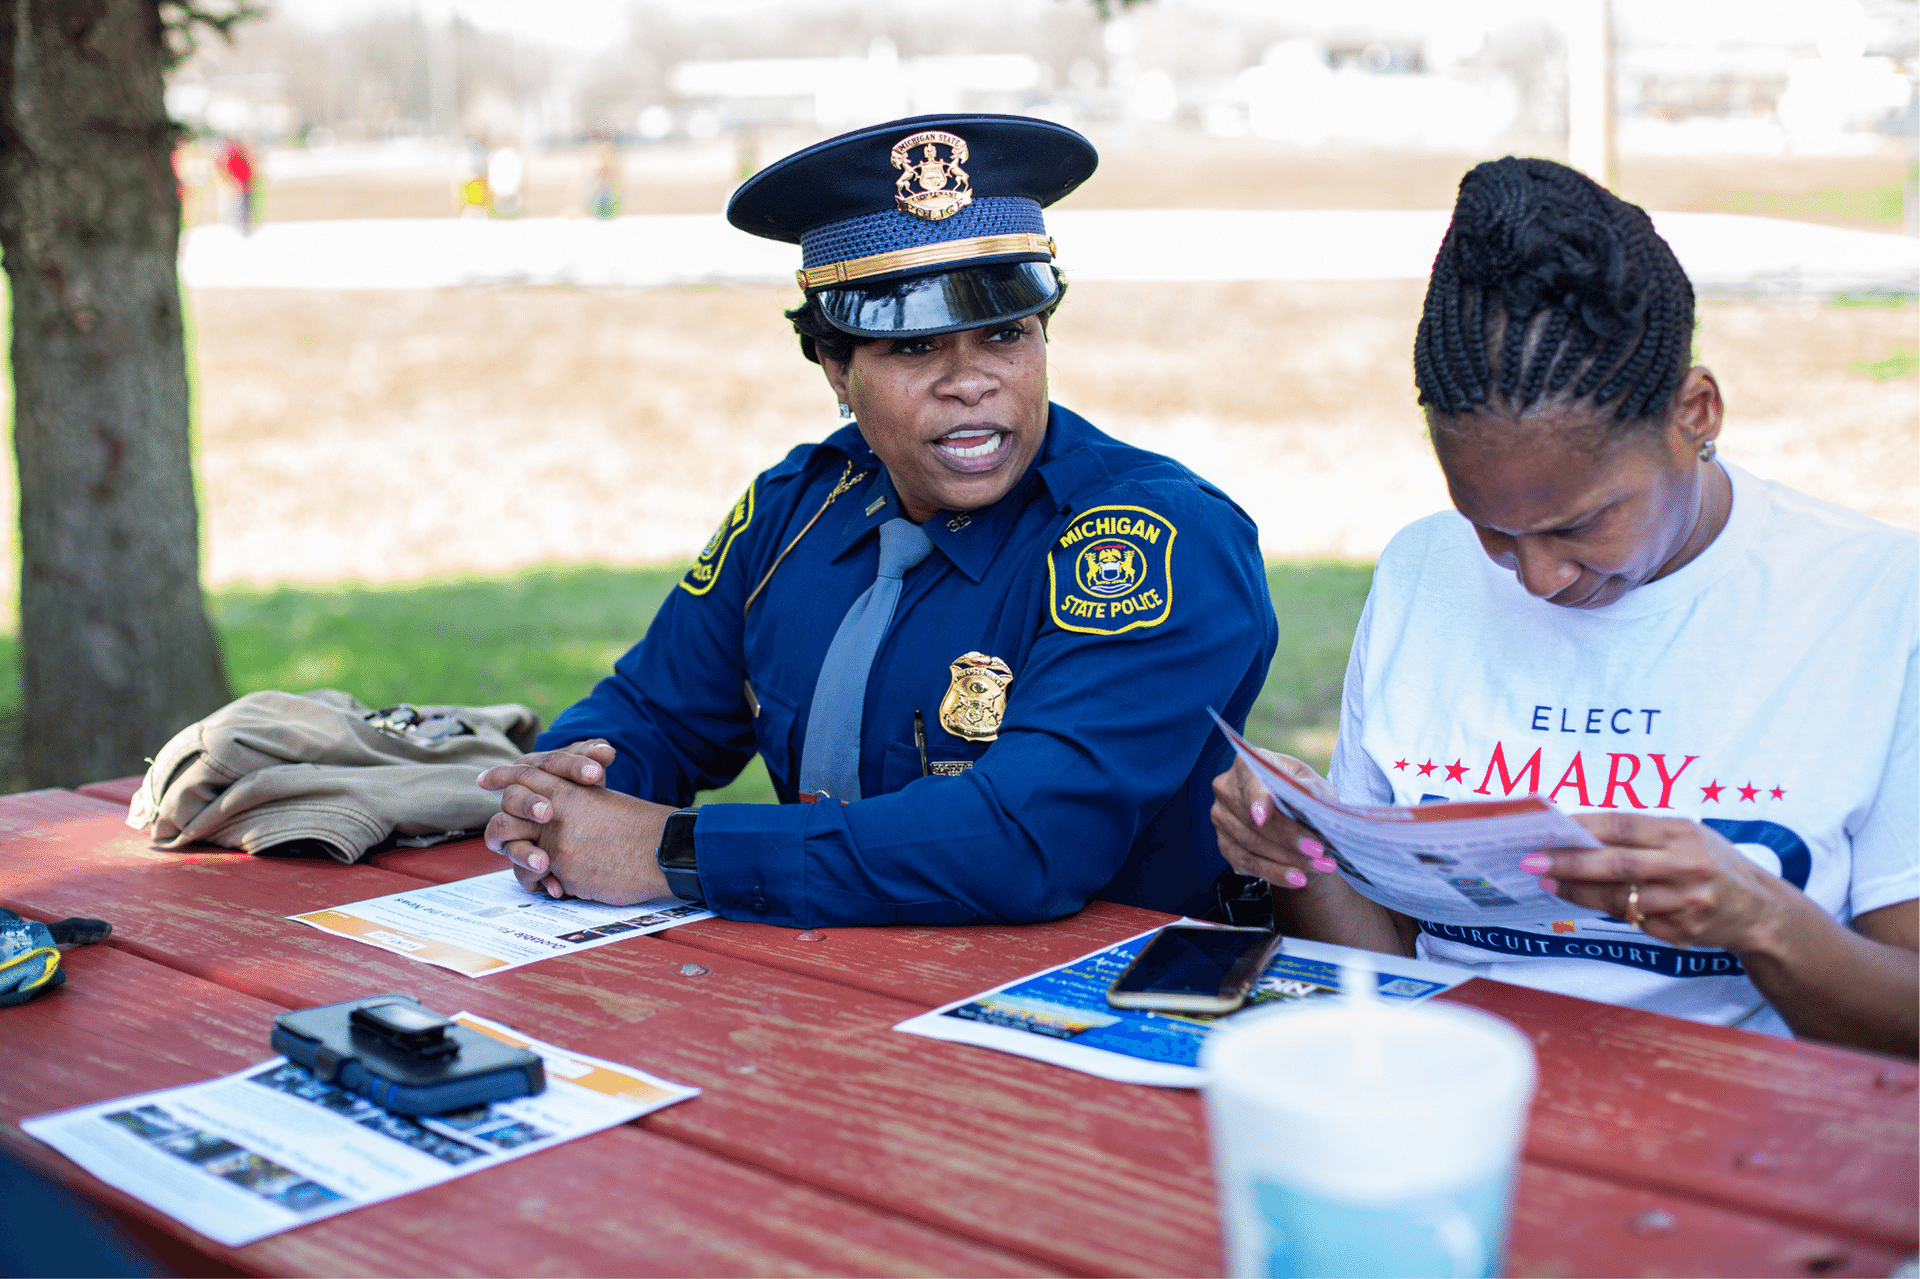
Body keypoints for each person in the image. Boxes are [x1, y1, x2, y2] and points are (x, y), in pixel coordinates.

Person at [480, 114, 1279, 928]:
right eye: (913, 348)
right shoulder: (798, 505)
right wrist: (566, 792)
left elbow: (1023, 841)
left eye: (1006, 333)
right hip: (831, 991)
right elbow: (653, 709)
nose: (970, 381)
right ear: (835, 366)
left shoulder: (1150, 540)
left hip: (1098, 1011)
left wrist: (674, 851)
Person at [1211, 157, 1916, 1056]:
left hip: (1743, 1129)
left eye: (1583, 524)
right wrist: (1295, 856)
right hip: (1453, 1093)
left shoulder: (1878, 598)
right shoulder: (1423, 569)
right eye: (1492, 530)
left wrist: (1760, 917)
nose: (1538, 578)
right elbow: (1385, 966)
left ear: (1695, 411)